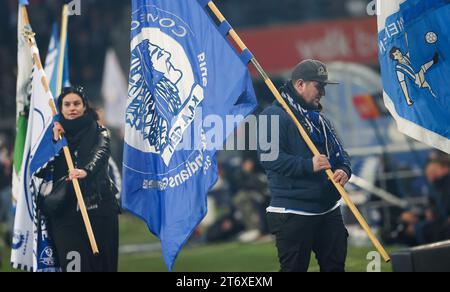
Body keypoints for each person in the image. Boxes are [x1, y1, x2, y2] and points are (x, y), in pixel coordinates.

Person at [258, 60, 352, 272]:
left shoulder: (320, 119)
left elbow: (340, 155)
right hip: (293, 212)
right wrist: (308, 165)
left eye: (324, 86)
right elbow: (269, 158)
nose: (323, 93)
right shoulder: (272, 115)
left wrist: (344, 170)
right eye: (319, 86)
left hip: (329, 209)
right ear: (300, 84)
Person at [38, 86, 120, 272]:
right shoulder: (52, 136)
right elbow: (38, 168)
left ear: (85, 106)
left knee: (104, 267)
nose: (72, 108)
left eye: (76, 103)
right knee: (74, 267)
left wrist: (86, 171)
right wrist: (52, 143)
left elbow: (102, 152)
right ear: (61, 108)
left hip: (99, 211)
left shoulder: (100, 130)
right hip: (65, 214)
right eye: (67, 104)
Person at [399, 151, 450, 245]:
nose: (427, 170)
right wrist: (418, 216)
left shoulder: (445, 184)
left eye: (431, 165)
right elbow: (434, 211)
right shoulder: (437, 187)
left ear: (443, 167)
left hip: (442, 227)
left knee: (414, 230)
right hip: (438, 224)